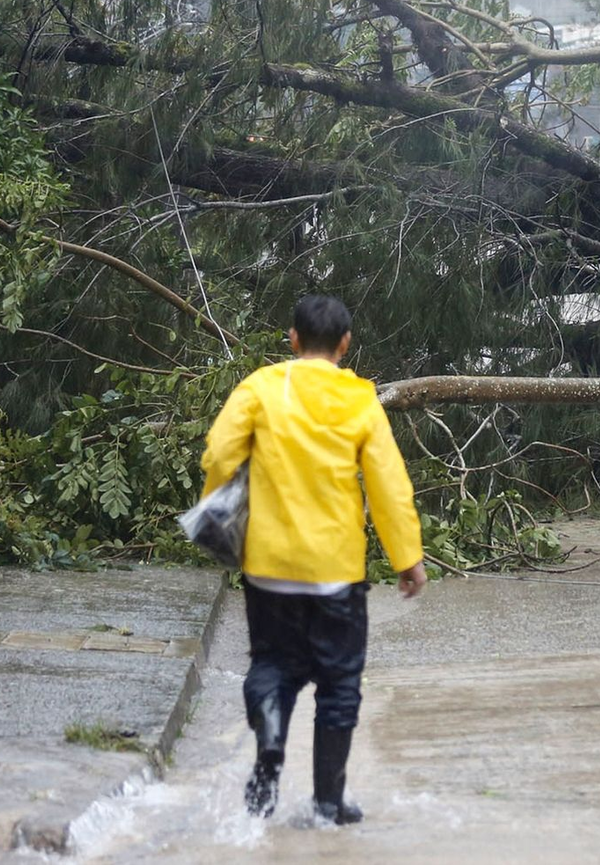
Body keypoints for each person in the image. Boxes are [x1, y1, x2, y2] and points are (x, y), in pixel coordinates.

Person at [200, 294, 426, 824]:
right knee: (339, 685)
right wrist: (406, 558)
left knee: (272, 667)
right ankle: (328, 802)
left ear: (293, 338)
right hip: (335, 574)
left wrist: (220, 522)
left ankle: (272, 742)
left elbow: (218, 453)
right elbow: (388, 485)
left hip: (268, 568)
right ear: (345, 344)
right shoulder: (360, 399)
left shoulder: (261, 386)